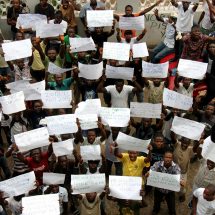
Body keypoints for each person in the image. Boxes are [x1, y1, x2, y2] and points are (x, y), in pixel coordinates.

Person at [149, 150, 182, 215]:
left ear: (172, 159)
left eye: (170, 158)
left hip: (169, 191)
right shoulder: (157, 164)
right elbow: (152, 170)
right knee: (156, 203)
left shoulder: (176, 167)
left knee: (172, 208)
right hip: (159, 189)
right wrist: (149, 173)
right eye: (166, 157)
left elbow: (179, 176)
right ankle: (156, 210)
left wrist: (181, 181)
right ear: (163, 157)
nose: (168, 159)